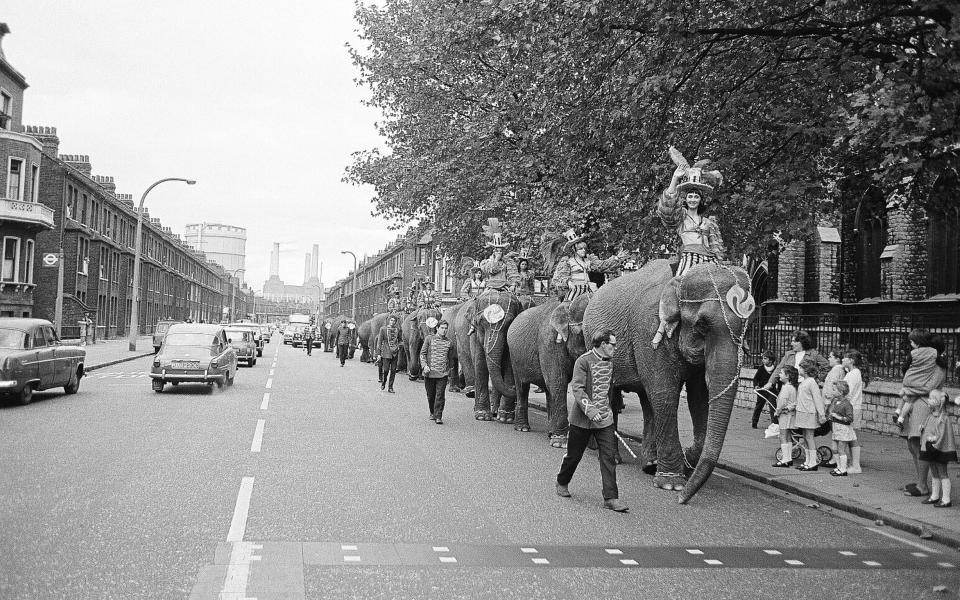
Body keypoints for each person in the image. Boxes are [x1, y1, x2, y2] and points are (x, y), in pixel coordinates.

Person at [555, 330, 628, 513]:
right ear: (603, 344)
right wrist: (591, 410)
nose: (615, 348)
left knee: (608, 457)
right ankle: (562, 481)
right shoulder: (583, 361)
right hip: (582, 421)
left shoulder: (611, 364)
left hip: (604, 420)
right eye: (613, 344)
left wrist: (608, 412)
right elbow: (578, 389)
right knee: (574, 456)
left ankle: (611, 498)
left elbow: (609, 391)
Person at [657, 147, 725, 276]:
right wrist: (675, 178)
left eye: (696, 197)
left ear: (700, 200)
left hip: (709, 261)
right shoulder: (680, 217)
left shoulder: (708, 222)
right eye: (690, 196)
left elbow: (716, 248)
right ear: (686, 199)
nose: (693, 199)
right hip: (688, 260)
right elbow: (667, 206)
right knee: (681, 285)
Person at [551, 230, 627, 303]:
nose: (584, 250)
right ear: (574, 250)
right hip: (576, 289)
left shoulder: (588, 260)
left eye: (584, 248)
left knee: (599, 303)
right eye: (580, 249)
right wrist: (569, 282)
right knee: (567, 307)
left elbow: (602, 265)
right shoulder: (568, 261)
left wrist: (616, 258)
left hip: (589, 288)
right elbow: (561, 275)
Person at [896, 329, 947, 430]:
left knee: (916, 440)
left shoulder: (937, 366)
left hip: (922, 405)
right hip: (917, 403)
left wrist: (907, 389)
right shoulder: (931, 358)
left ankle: (899, 413)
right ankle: (899, 414)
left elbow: (929, 387)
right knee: (912, 441)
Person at [919, 390, 957, 507]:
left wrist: (935, 443)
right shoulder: (931, 416)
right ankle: (935, 496)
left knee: (942, 472)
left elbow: (943, 435)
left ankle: (946, 499)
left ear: (937, 402)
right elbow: (929, 429)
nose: (928, 400)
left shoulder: (943, 418)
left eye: (931, 398)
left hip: (939, 449)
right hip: (930, 447)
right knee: (934, 471)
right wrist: (923, 428)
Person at [420, 319, 456, 424]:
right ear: (437, 328)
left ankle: (438, 415)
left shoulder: (449, 342)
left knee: (440, 395)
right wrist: (424, 365)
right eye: (442, 328)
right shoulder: (429, 339)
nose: (444, 330)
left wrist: (450, 371)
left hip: (443, 374)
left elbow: (450, 359)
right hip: (429, 373)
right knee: (431, 395)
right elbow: (423, 354)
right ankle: (432, 412)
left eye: (446, 328)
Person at [794, 358, 827, 471]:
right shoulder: (804, 382)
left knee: (809, 437)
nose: (799, 369)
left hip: (809, 413)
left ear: (806, 370)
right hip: (802, 412)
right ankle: (807, 461)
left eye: (801, 367)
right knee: (805, 437)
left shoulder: (812, 382)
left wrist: (821, 414)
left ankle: (813, 462)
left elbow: (817, 399)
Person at [820, 350, 848, 467]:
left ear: (837, 359)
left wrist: (827, 404)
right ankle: (837, 459)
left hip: (831, 404)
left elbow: (833, 388)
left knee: (835, 431)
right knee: (835, 431)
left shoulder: (836, 370)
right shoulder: (838, 370)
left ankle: (837, 460)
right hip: (832, 402)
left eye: (831, 356)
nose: (828, 358)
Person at [842, 350, 867, 474]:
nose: (842, 360)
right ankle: (853, 463)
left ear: (851, 360)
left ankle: (856, 465)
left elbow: (847, 392)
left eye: (844, 358)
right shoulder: (853, 373)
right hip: (853, 407)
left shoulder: (853, 374)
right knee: (851, 435)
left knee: (852, 436)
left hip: (852, 407)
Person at [772, 366, 799, 468]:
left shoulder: (785, 388)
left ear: (787, 376)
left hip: (784, 415)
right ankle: (788, 458)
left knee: (783, 436)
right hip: (791, 415)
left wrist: (777, 411)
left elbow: (782, 402)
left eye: (781, 373)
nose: (779, 374)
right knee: (788, 437)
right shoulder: (793, 387)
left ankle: (785, 459)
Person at [828, 380, 856, 476]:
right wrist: (831, 416)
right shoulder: (836, 401)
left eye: (834, 390)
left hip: (843, 429)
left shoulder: (847, 404)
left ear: (841, 392)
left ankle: (843, 469)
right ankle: (838, 466)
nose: (832, 392)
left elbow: (850, 418)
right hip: (836, 428)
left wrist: (838, 417)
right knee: (834, 448)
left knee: (841, 449)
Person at [375, 315, 402, 393]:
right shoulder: (383, 329)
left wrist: (399, 346)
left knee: (393, 370)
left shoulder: (398, 329)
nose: (392, 322)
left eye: (394, 321)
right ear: (388, 321)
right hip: (386, 352)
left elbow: (400, 340)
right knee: (386, 370)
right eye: (391, 320)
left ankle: (390, 387)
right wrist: (379, 354)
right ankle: (384, 382)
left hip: (395, 353)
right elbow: (379, 342)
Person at [752, 350, 778, 429]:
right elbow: (755, 379)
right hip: (762, 391)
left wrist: (779, 390)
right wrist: (756, 386)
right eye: (763, 358)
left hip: (771, 391)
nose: (763, 360)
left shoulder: (775, 370)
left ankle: (775, 424)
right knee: (759, 406)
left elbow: (778, 380)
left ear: (771, 360)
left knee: (773, 407)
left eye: (765, 358)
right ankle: (754, 422)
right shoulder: (761, 368)